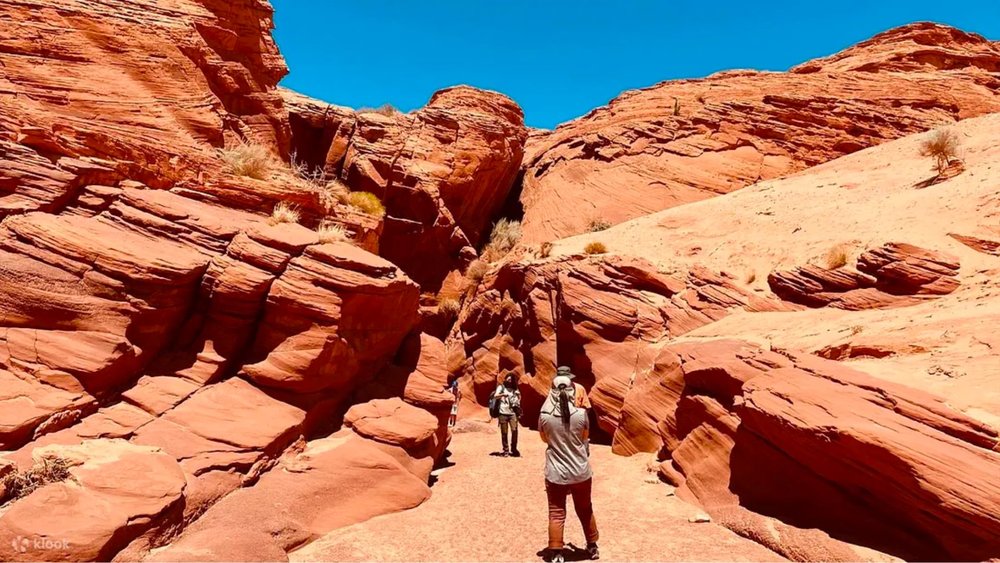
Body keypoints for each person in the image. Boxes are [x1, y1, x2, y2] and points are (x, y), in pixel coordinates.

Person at [539, 375, 599, 563]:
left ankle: (557, 551)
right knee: (585, 508)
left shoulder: (545, 416)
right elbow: (584, 437)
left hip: (556, 471)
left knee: (556, 512)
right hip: (580, 470)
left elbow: (544, 438)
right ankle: (592, 546)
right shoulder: (581, 415)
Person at [494, 372, 521, 456]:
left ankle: (514, 448)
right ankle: (506, 449)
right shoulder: (501, 387)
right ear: (505, 379)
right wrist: (503, 394)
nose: (509, 381)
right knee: (504, 432)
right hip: (503, 412)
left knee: (514, 430)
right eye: (508, 379)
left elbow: (519, 400)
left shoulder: (515, 388)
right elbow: (495, 396)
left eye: (511, 380)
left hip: (512, 413)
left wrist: (519, 396)